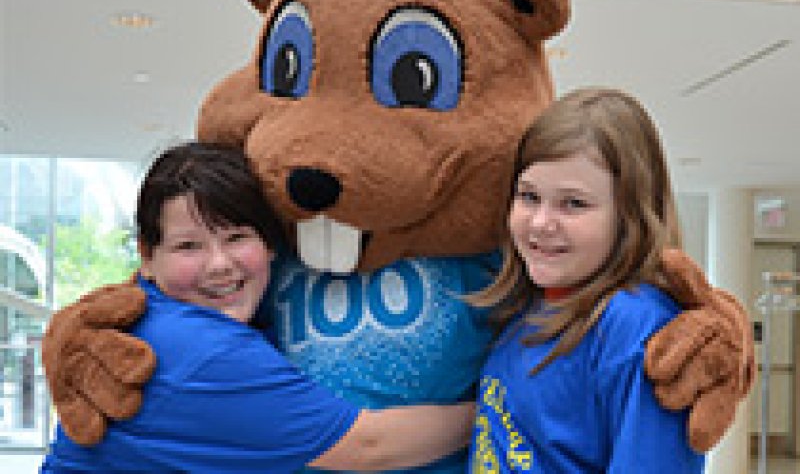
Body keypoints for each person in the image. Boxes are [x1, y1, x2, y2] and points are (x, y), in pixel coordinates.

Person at [40, 142, 474, 473]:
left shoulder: (151, 314)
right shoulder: (204, 351)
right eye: (188, 246)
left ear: (271, 244)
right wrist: (491, 407)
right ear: (147, 257)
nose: (219, 265)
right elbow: (369, 445)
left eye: (236, 237)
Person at [467, 88, 705, 473]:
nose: (541, 222)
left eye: (573, 203)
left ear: (629, 216)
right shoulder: (532, 305)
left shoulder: (638, 326)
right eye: (529, 196)